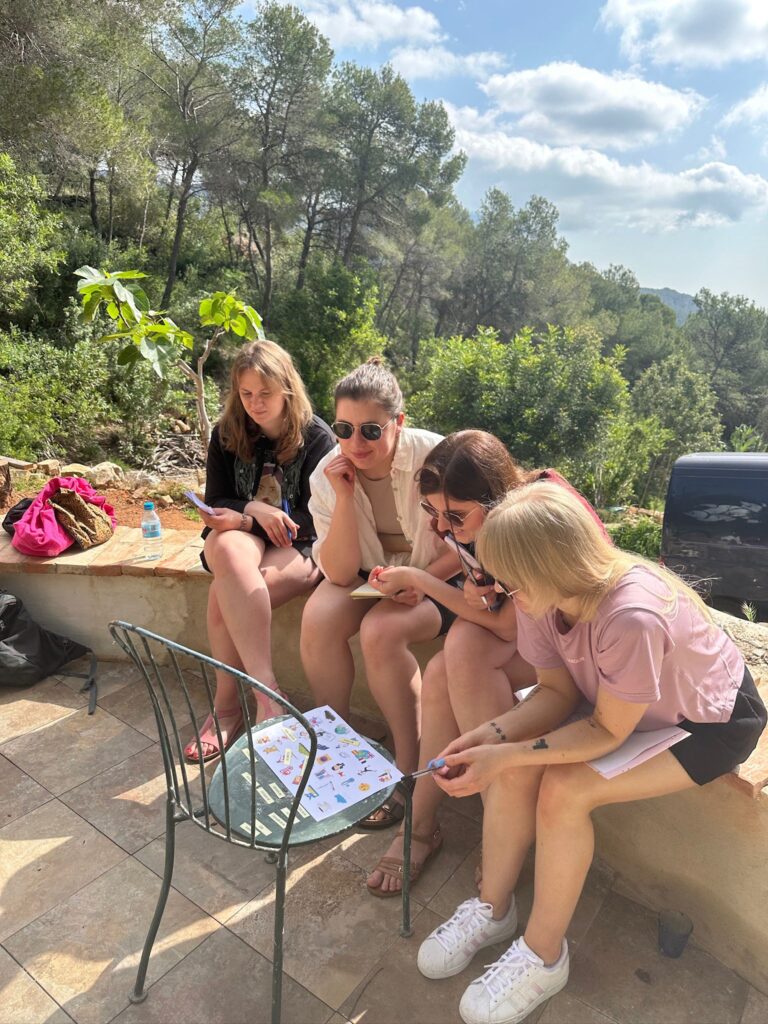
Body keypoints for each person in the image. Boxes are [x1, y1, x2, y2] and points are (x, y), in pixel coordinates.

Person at [417, 482, 765, 1024]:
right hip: (619, 699)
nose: (502, 591)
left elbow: (606, 732)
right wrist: (492, 735)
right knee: (514, 766)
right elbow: (556, 692)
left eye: (510, 581)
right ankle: (492, 908)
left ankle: (543, 956)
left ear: (550, 566)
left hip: (705, 720)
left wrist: (507, 754)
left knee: (565, 790)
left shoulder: (631, 616)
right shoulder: (540, 593)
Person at [365, 432, 607, 896]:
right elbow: (497, 610)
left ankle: (488, 819)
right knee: (443, 669)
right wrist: (475, 590)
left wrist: (420, 579)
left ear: (494, 499)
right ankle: (432, 821)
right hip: (536, 636)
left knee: (461, 648)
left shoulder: (531, 520)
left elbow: (508, 626)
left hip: (580, 651)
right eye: (432, 512)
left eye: (454, 516)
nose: (441, 528)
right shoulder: (476, 522)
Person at [300, 357, 458, 828]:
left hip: (443, 576)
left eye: (371, 430)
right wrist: (345, 497)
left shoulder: (438, 458)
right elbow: (339, 571)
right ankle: (335, 749)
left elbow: (470, 542)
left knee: (380, 631)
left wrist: (420, 581)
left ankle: (408, 770)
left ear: (398, 422)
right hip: (374, 576)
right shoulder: (327, 474)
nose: (355, 443)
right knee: (318, 619)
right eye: (343, 430)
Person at [184, 340, 335, 762]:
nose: (255, 403)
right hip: (240, 537)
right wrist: (252, 511)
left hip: (300, 541)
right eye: (246, 393)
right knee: (228, 551)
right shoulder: (227, 433)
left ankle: (227, 709)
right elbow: (217, 499)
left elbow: (318, 516)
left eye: (265, 393)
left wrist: (252, 520)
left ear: (287, 388)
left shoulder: (317, 438)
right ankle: (267, 695)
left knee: (225, 597)